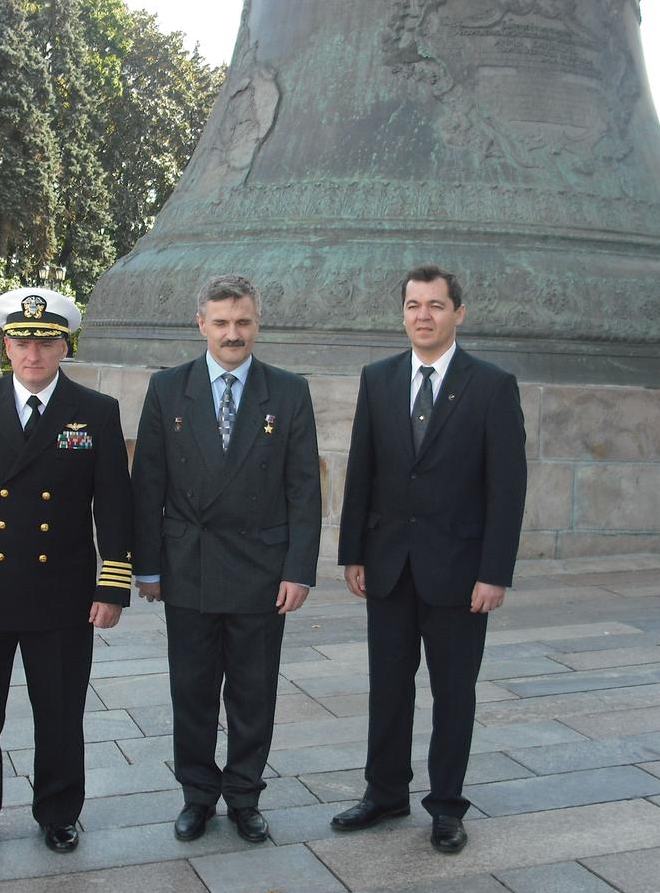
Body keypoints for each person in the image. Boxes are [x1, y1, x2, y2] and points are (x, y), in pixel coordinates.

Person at [0, 286, 133, 859]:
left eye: (45, 342)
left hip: (62, 591)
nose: (32, 354)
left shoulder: (95, 411)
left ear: (64, 346)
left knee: (60, 711)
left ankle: (59, 812)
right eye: (21, 341)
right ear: (6, 346)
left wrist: (112, 585)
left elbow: (114, 505)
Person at [332, 264, 527, 854]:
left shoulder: (492, 386)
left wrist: (494, 572)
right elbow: (361, 470)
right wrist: (352, 554)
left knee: (453, 693)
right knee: (387, 688)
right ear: (404, 313)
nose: (423, 315)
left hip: (460, 574)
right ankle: (385, 792)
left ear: (458, 314)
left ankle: (446, 806)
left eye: (436, 306)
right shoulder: (379, 378)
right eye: (414, 305)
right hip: (388, 566)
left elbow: (507, 489)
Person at [131, 275, 321, 844]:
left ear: (257, 323)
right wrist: (147, 566)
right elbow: (148, 483)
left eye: (242, 322)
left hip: (261, 572)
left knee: (252, 690)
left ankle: (243, 795)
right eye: (221, 323)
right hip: (188, 566)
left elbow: (304, 489)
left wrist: (299, 569)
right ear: (201, 325)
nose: (232, 334)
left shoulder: (288, 392)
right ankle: (196, 796)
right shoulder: (168, 389)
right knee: (190, 690)